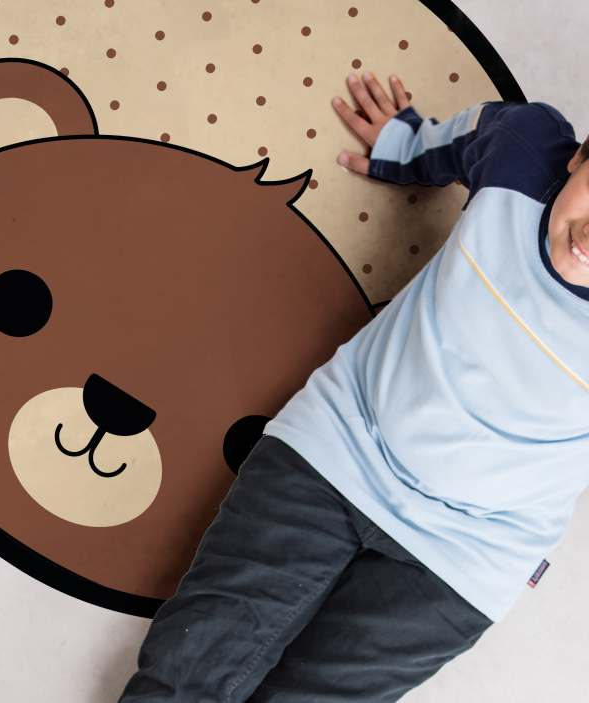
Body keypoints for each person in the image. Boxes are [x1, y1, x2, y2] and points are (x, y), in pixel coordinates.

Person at [117, 71, 589, 702]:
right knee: (181, 673)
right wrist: (404, 145)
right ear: (580, 158)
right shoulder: (524, 152)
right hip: (337, 448)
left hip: (467, 555)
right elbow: (464, 139)